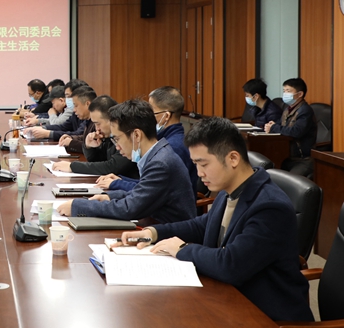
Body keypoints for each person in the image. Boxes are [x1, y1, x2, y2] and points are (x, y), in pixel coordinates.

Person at [116, 116, 313, 323]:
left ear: (233, 158)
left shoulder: (270, 207)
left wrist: (182, 249)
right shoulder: (230, 189)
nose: (199, 173)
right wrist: (153, 233)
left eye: (203, 164)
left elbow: (231, 264)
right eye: (195, 164)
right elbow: (201, 226)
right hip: (227, 298)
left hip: (265, 316)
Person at [57, 99, 195, 224]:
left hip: (168, 235)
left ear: (136, 135)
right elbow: (141, 192)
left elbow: (130, 208)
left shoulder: (160, 163)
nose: (117, 147)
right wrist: (108, 197)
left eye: (117, 139)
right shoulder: (157, 155)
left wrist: (78, 206)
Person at [96, 87, 196, 193]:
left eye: (151, 112)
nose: (147, 116)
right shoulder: (164, 140)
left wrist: (118, 183)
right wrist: (122, 180)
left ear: (166, 116)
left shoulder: (173, 147)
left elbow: (150, 190)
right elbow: (149, 183)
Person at [51, 96, 139, 180]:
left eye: (98, 124)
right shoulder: (107, 136)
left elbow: (112, 167)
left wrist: (72, 166)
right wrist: (89, 147)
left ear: (112, 120)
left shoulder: (126, 135)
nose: (97, 128)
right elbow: (97, 161)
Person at [264, 77, 317, 176]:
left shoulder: (305, 111)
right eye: (284, 91)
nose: (285, 94)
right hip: (286, 156)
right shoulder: (288, 109)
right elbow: (281, 124)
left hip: (302, 159)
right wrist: (272, 125)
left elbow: (296, 132)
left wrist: (274, 128)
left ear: (300, 94)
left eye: (288, 91)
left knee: (287, 181)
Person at [57, 87, 97, 153]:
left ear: (88, 104)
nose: (74, 110)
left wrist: (72, 143)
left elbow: (95, 147)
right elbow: (86, 138)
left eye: (76, 106)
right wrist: (72, 138)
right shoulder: (88, 120)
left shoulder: (97, 123)